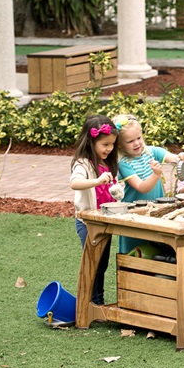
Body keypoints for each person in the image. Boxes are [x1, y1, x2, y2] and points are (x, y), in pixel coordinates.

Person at [113, 114, 184, 253]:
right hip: (134, 213)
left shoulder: (153, 152)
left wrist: (180, 158)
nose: (136, 143)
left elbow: (172, 158)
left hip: (155, 210)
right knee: (133, 249)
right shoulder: (124, 163)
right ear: (120, 145)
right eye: (130, 141)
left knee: (155, 248)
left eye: (138, 138)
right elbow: (141, 187)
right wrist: (156, 175)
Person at [69, 114, 119, 305]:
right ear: (91, 142)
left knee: (102, 263)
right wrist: (97, 180)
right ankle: (91, 303)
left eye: (112, 144)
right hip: (88, 222)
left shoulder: (107, 162)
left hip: (105, 221)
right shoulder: (83, 163)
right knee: (93, 263)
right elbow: (75, 183)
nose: (110, 148)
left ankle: (97, 301)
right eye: (105, 144)